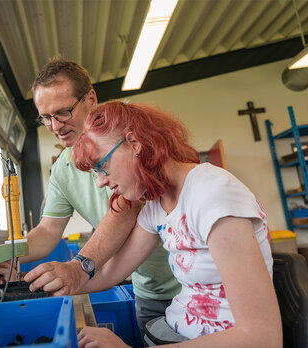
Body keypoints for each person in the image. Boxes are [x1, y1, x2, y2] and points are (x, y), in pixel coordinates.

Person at [0, 57, 181, 334]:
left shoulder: (130, 131)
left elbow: (126, 208)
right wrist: (6, 255)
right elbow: (48, 231)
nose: (56, 126)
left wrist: (79, 266)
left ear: (90, 98)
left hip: (192, 281)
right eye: (46, 118)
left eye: (63, 112)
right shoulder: (63, 168)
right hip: (148, 289)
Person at [64, 101, 281, 346]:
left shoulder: (213, 194)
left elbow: (262, 337)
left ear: (134, 144)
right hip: (174, 332)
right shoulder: (157, 206)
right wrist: (57, 280)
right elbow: (110, 273)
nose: (101, 182)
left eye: (102, 165)